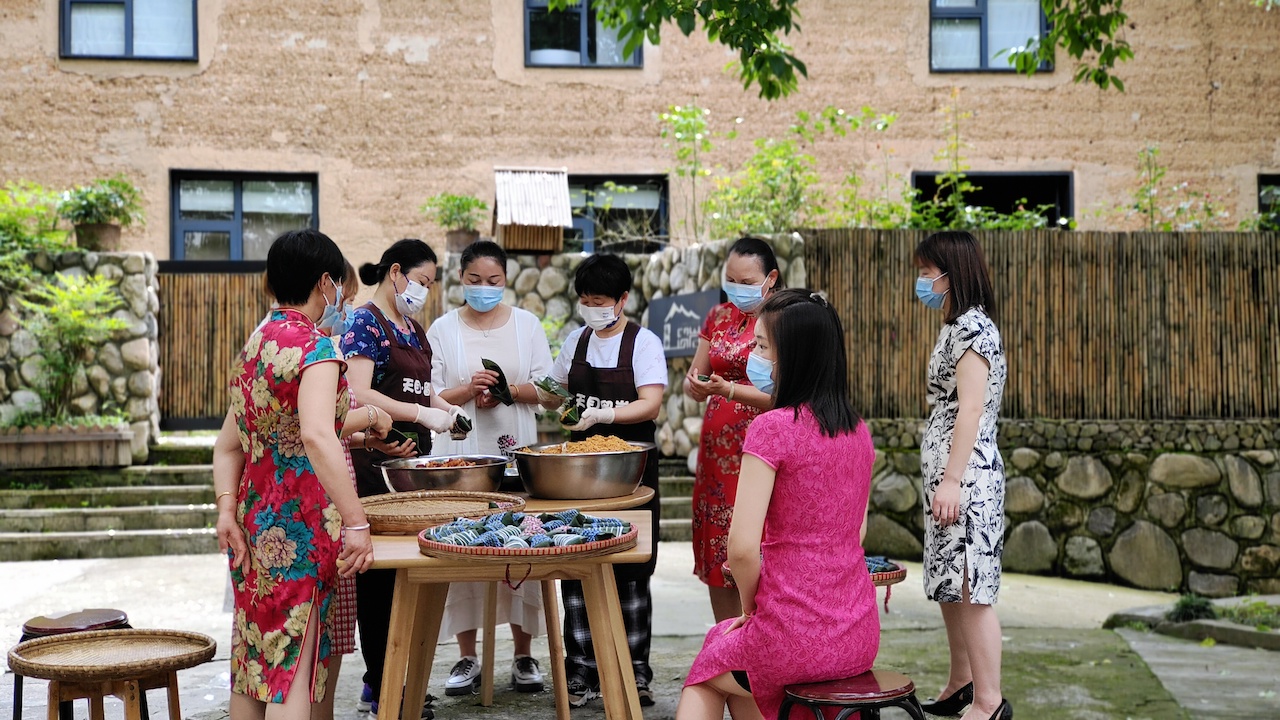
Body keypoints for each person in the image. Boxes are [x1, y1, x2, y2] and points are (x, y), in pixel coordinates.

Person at [678, 288, 879, 720]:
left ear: (796, 357)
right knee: (733, 661)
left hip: (792, 634)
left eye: (763, 347)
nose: (753, 354)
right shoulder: (859, 432)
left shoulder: (772, 429)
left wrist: (751, 607)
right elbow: (857, 534)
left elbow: (742, 550)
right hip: (858, 633)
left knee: (708, 667)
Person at [211, 228, 381, 720]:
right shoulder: (318, 349)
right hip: (304, 530)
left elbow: (228, 444)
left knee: (254, 666)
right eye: (341, 292)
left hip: (253, 524)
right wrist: (357, 522)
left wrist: (226, 511)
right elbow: (316, 435)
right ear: (325, 282)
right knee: (294, 676)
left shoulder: (256, 344)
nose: (341, 303)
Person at [339, 238, 465, 715]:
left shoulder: (414, 330)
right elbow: (358, 390)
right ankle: (381, 685)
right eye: (422, 281)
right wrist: (416, 411)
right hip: (375, 470)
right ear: (396, 272)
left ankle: (407, 679)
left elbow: (426, 389)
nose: (425, 291)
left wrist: (445, 412)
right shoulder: (362, 324)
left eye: (430, 285)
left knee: (415, 580)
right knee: (381, 583)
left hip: (417, 471)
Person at [425, 239, 551, 696]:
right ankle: (467, 657)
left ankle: (523, 653)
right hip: (459, 457)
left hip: (517, 456)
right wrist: (467, 389)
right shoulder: (442, 329)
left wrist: (508, 390)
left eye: (493, 281)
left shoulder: (527, 325)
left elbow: (551, 389)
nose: (484, 289)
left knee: (521, 542)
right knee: (463, 545)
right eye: (475, 281)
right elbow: (431, 394)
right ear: (462, 280)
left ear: (506, 280)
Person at [548, 253, 667, 707]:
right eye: (584, 300)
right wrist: (525, 393)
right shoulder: (575, 341)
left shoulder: (644, 343)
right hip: (579, 472)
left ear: (622, 300)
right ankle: (581, 671)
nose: (591, 308)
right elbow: (551, 390)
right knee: (576, 565)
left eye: (600, 301)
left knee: (632, 572)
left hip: (630, 473)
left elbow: (650, 403)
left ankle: (634, 672)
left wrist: (605, 415)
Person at [914, 231, 1011, 720]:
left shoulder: (973, 329)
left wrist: (952, 481)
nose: (923, 282)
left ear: (954, 274)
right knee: (950, 583)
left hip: (967, 481)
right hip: (949, 478)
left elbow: (970, 409)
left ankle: (989, 700)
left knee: (972, 588)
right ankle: (962, 681)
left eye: (929, 273)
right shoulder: (956, 327)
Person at [683, 237, 780, 622]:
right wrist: (696, 385)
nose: (737, 288)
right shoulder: (718, 316)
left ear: (770, 278)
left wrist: (729, 389)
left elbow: (789, 393)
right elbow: (698, 374)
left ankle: (759, 644)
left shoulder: (785, 317)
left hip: (761, 448)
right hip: (716, 458)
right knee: (716, 546)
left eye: (747, 280)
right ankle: (725, 647)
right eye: (730, 279)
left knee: (754, 544)